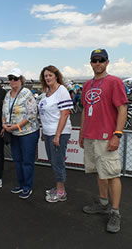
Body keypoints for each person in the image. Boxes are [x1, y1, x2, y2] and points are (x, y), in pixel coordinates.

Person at [79, 48, 128, 233]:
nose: (97, 63)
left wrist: (117, 134)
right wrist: (82, 133)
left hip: (107, 137)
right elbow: (85, 110)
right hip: (91, 136)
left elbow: (122, 108)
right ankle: (103, 203)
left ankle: (115, 212)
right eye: (94, 60)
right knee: (99, 172)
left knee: (113, 174)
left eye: (101, 60)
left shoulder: (114, 82)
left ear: (107, 62)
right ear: (90, 63)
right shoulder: (87, 85)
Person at [2, 68, 40, 199]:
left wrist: (16, 126)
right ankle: (21, 183)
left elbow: (31, 114)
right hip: (14, 133)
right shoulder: (8, 94)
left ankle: (27, 186)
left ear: (21, 80)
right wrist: (4, 124)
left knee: (27, 161)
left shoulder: (26, 93)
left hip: (27, 133)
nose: (12, 81)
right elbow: (4, 113)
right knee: (17, 160)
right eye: (10, 78)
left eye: (15, 78)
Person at [38, 65, 73, 202]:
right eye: (45, 76)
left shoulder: (61, 91)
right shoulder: (47, 92)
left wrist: (57, 135)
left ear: (56, 76)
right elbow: (45, 114)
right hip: (48, 132)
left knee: (58, 162)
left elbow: (64, 114)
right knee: (53, 161)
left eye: (50, 75)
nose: (47, 78)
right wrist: (43, 131)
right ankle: (58, 186)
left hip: (59, 132)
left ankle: (61, 192)